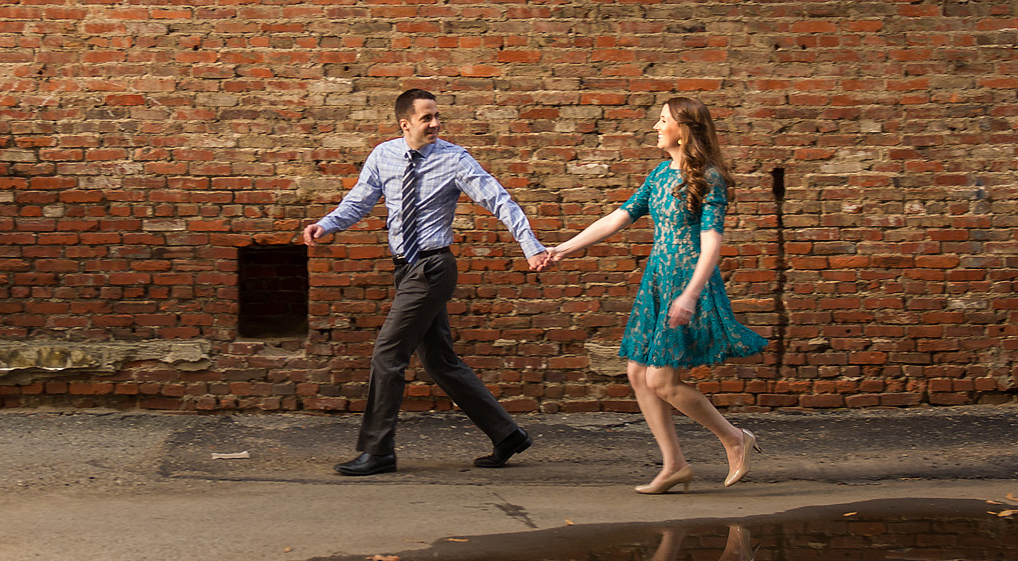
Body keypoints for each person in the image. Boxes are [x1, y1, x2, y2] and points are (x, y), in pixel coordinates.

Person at [303, 88, 554, 476]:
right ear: (405, 124)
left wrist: (530, 245)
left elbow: (499, 199)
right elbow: (360, 200)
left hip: (433, 268)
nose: (436, 124)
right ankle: (507, 434)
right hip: (405, 268)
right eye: (427, 118)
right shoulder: (383, 155)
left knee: (388, 354)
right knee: (439, 361)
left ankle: (378, 450)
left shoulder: (455, 160)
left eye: (437, 117)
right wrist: (327, 224)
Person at [543, 97, 767, 492]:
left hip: (687, 283)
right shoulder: (660, 176)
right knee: (637, 373)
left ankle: (734, 439)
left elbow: (712, 242)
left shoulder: (708, 177)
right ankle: (674, 464)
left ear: (684, 129)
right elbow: (617, 218)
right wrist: (563, 248)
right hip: (658, 283)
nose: (655, 127)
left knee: (662, 380)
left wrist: (691, 295)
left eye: (662, 120)